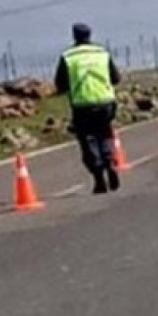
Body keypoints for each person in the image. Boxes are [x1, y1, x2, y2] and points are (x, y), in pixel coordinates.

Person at [55, 23, 122, 194]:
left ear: (74, 36)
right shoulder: (102, 53)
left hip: (82, 105)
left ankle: (99, 178)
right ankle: (110, 164)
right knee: (106, 134)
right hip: (105, 102)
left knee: (89, 140)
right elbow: (115, 78)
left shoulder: (68, 57)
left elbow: (60, 84)